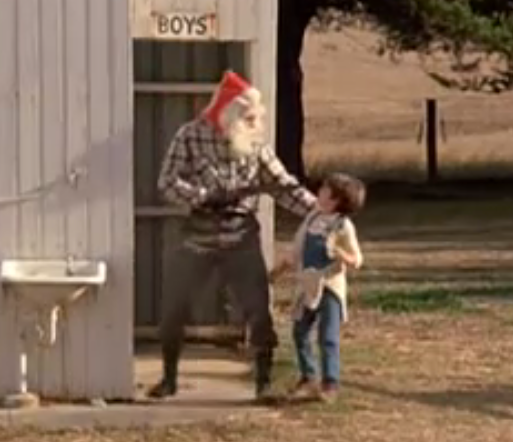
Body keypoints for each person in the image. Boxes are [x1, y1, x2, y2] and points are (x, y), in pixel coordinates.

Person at [149, 70, 316, 402]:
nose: (256, 121)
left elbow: (283, 186)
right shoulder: (190, 136)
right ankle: (168, 379)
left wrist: (320, 211)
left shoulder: (255, 143)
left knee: (258, 311)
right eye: (249, 116)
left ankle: (263, 384)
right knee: (174, 311)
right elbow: (167, 183)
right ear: (230, 113)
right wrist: (201, 195)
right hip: (198, 234)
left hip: (241, 234)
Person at [272, 172, 366, 403]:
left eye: (325, 189)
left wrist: (342, 254)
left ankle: (330, 383)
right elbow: (297, 249)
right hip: (307, 286)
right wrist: (278, 270)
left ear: (335, 200)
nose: (319, 191)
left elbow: (357, 260)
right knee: (300, 331)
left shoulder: (342, 226)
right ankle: (308, 377)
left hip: (329, 287)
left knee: (328, 336)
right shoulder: (312, 218)